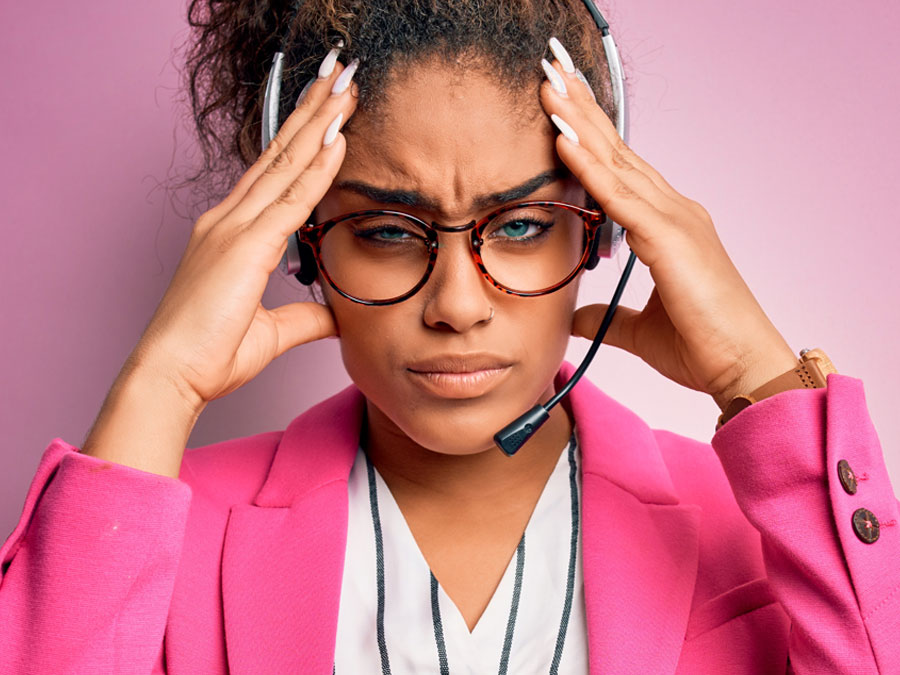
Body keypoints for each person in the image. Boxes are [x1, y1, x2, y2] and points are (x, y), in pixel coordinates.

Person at [1, 0, 898, 672]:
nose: (458, 305)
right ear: (304, 239)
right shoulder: (167, 521)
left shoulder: (762, 520)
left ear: (603, 228)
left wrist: (759, 374)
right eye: (390, 232)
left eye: (519, 224)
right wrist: (159, 385)